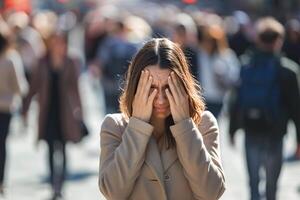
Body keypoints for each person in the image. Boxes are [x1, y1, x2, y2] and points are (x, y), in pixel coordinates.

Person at [98, 38, 225, 200]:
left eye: (168, 88)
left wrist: (185, 126)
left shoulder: (204, 125)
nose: (160, 100)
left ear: (182, 86)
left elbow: (211, 193)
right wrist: (137, 125)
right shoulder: (114, 127)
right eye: (150, 88)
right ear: (136, 87)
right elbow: (112, 192)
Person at [229, 17, 300, 200]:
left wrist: (232, 129)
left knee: (253, 184)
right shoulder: (288, 70)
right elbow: (296, 108)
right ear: (279, 41)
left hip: (251, 130)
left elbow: (236, 100)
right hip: (275, 132)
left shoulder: (246, 66)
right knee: (271, 187)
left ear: (258, 39)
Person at [22, 30, 83, 200]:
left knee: (62, 148)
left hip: (64, 113)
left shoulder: (70, 62)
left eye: (60, 42)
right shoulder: (42, 61)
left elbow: (76, 89)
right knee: (49, 148)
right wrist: (25, 108)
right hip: (48, 111)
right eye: (54, 41)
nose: (57, 45)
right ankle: (52, 184)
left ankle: (60, 184)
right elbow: (33, 86)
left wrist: (80, 112)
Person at [0, 21, 28, 196]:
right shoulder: (11, 59)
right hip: (5, 107)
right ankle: (1, 181)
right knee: (2, 145)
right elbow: (20, 87)